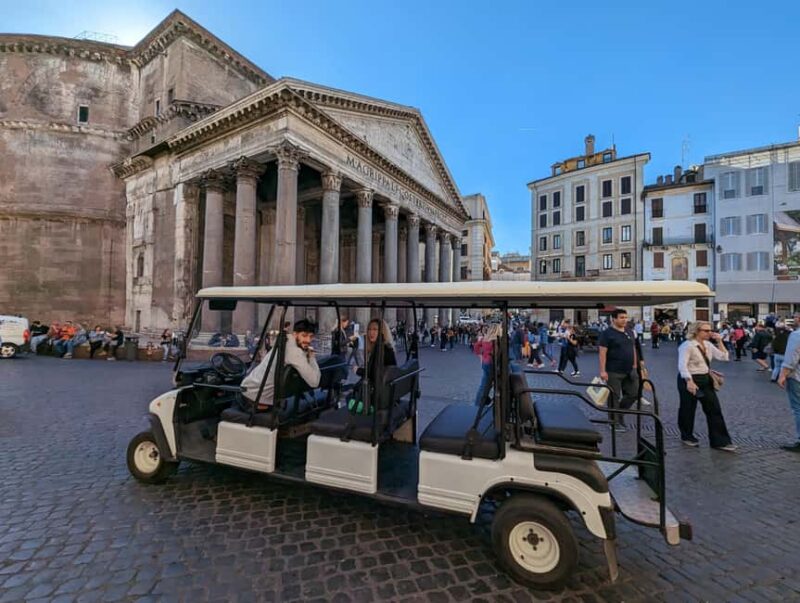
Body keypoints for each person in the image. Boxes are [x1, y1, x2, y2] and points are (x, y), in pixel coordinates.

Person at [676, 321, 735, 451]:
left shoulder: (708, 345)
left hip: (705, 379)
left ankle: (720, 441)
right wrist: (689, 381)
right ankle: (687, 436)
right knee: (688, 409)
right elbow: (682, 365)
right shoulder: (687, 346)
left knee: (714, 409)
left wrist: (719, 341)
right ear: (697, 331)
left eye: (710, 330)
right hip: (689, 378)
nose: (710, 333)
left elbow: (724, 357)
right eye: (706, 331)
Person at [241, 318, 321, 409]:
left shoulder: (285, 343)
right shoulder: (294, 352)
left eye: (311, 336)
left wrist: (309, 356)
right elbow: (315, 382)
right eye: (304, 335)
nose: (308, 340)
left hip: (255, 394)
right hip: (255, 395)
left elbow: (314, 381)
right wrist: (312, 357)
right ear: (295, 334)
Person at [598, 309, 645, 432]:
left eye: (625, 317)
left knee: (634, 393)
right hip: (613, 370)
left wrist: (635, 366)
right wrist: (602, 371)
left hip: (630, 370)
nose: (625, 320)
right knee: (614, 396)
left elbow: (633, 348)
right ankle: (614, 422)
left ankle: (618, 414)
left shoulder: (629, 331)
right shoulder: (607, 333)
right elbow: (602, 353)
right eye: (621, 317)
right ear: (614, 319)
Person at [777, 313, 800, 452]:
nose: (794, 319)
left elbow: (792, 358)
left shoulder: (796, 335)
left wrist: (782, 375)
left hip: (797, 376)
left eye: (796, 316)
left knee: (798, 408)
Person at [473, 324, 502, 406]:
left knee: (484, 384)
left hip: (485, 362)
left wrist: (480, 354)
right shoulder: (495, 340)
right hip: (491, 363)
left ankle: (481, 401)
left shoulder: (485, 339)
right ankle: (480, 402)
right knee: (486, 385)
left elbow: (476, 346)